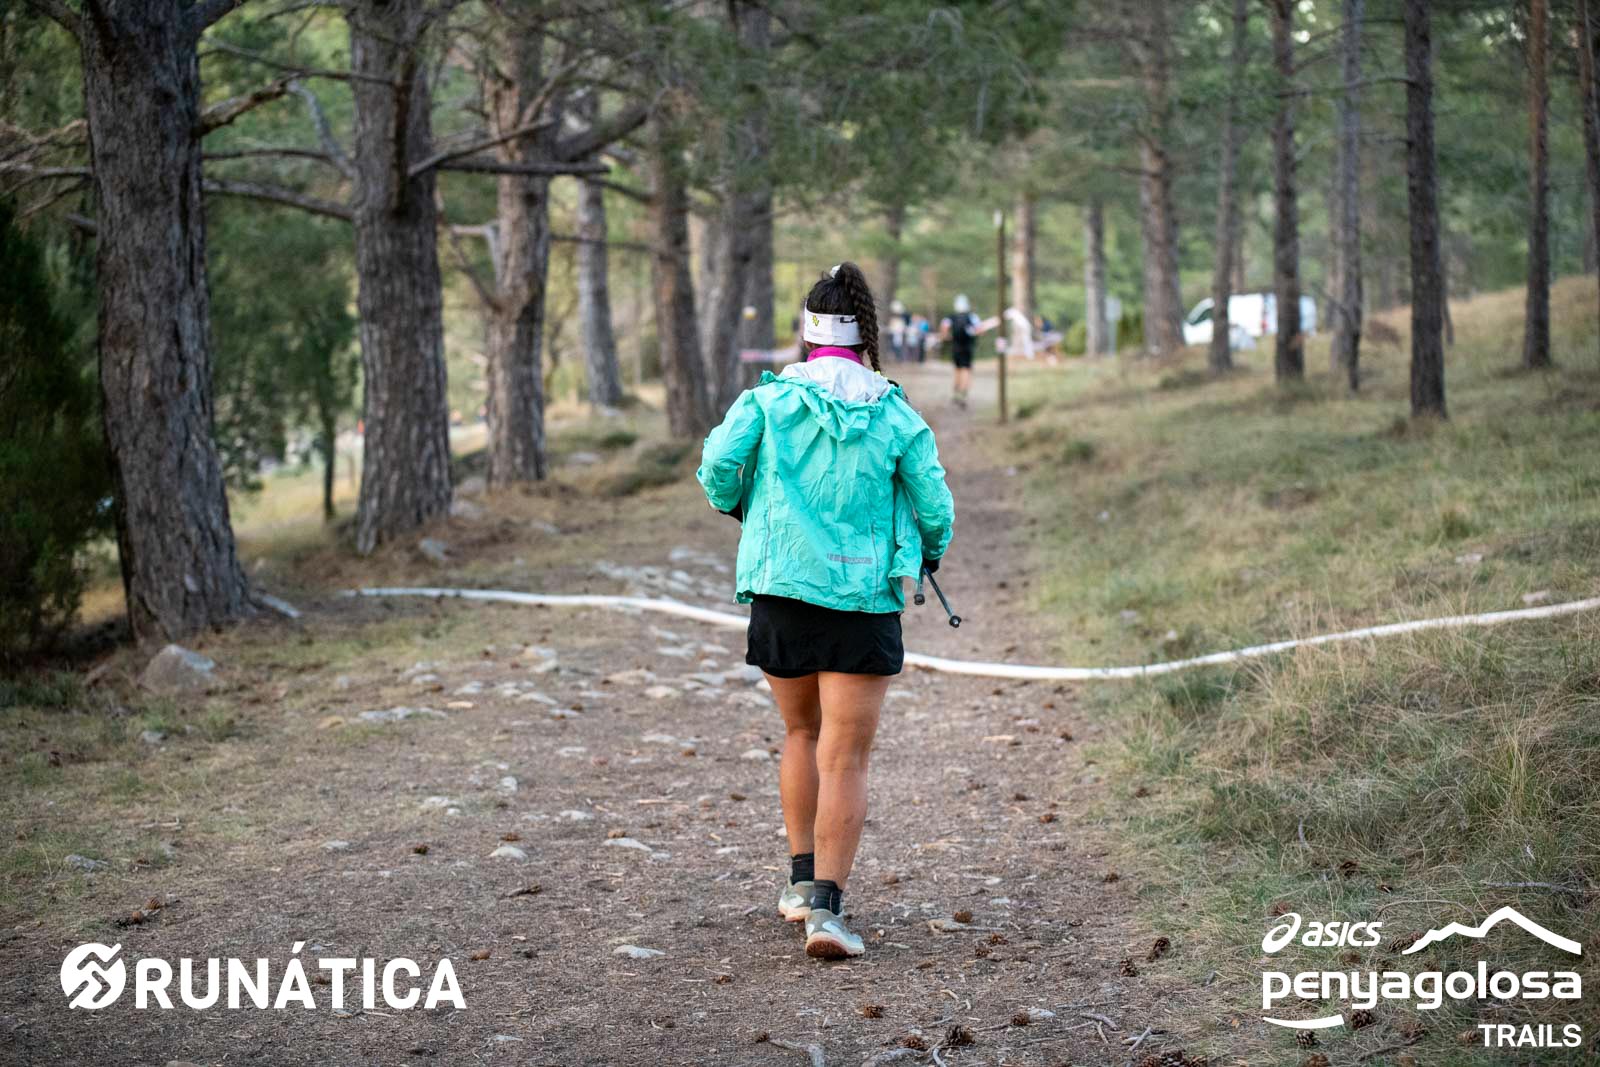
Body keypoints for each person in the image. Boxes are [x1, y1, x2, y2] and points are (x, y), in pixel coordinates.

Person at [697, 261, 955, 960]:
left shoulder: (767, 401)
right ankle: (827, 913)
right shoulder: (895, 413)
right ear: (865, 332)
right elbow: (934, 505)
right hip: (862, 601)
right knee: (846, 755)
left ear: (807, 332)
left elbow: (718, 466)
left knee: (800, 733)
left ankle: (798, 882)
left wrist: (740, 507)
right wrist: (929, 553)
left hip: (781, 591)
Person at [941, 293, 983, 407]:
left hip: (955, 347)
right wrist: (973, 333)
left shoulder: (951, 317)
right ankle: (963, 393)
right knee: (966, 370)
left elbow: (944, 327)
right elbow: (980, 329)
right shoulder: (972, 317)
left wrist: (947, 336)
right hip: (967, 348)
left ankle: (956, 392)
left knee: (957, 369)